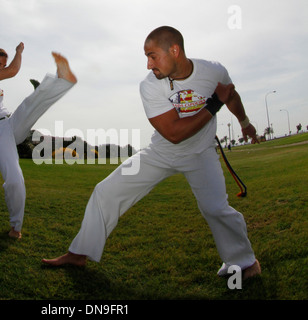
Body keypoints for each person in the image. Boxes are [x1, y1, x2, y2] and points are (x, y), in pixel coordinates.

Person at [42, 26, 261, 281]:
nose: (148, 65)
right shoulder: (149, 86)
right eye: (146, 57)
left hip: (201, 154)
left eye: (152, 56)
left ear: (175, 51)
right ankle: (79, 253)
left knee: (215, 208)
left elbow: (231, 96)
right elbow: (174, 133)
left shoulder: (214, 71)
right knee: (105, 191)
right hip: (162, 152)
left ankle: (244, 263)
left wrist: (245, 122)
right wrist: (214, 104)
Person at [0, 36, 77, 239]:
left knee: (29, 104)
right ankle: (15, 227)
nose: (0, 68)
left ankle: (61, 80)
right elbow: (13, 71)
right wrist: (18, 52)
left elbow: (8, 72)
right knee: (15, 179)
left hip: (7, 124)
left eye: (2, 64)